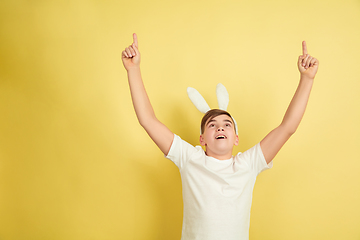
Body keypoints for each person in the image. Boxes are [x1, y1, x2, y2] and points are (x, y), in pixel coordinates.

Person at [122, 33, 319, 240]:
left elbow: (288, 127)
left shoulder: (248, 163)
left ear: (236, 138)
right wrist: (133, 69)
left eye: (227, 124)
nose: (220, 128)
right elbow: (148, 120)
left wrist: (307, 79)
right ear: (202, 139)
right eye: (212, 125)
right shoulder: (189, 158)